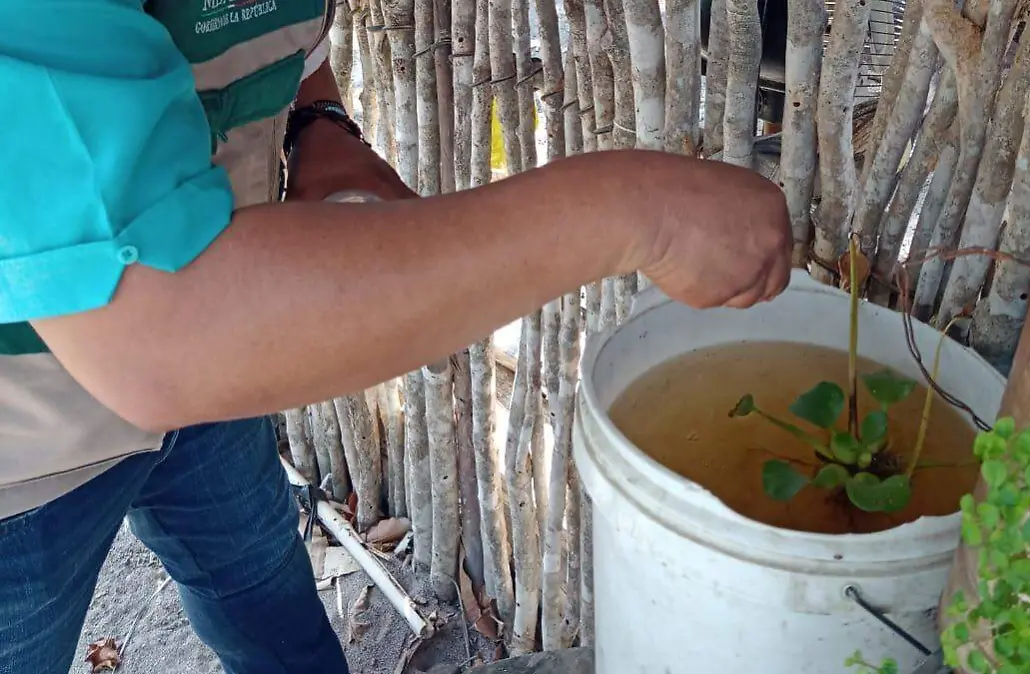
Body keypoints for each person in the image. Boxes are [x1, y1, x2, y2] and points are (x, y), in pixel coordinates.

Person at [0, 1, 791, 672]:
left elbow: (283, 44)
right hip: (26, 453)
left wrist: (318, 120)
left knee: (257, 582)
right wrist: (637, 213)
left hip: (223, 375)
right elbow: (159, 332)